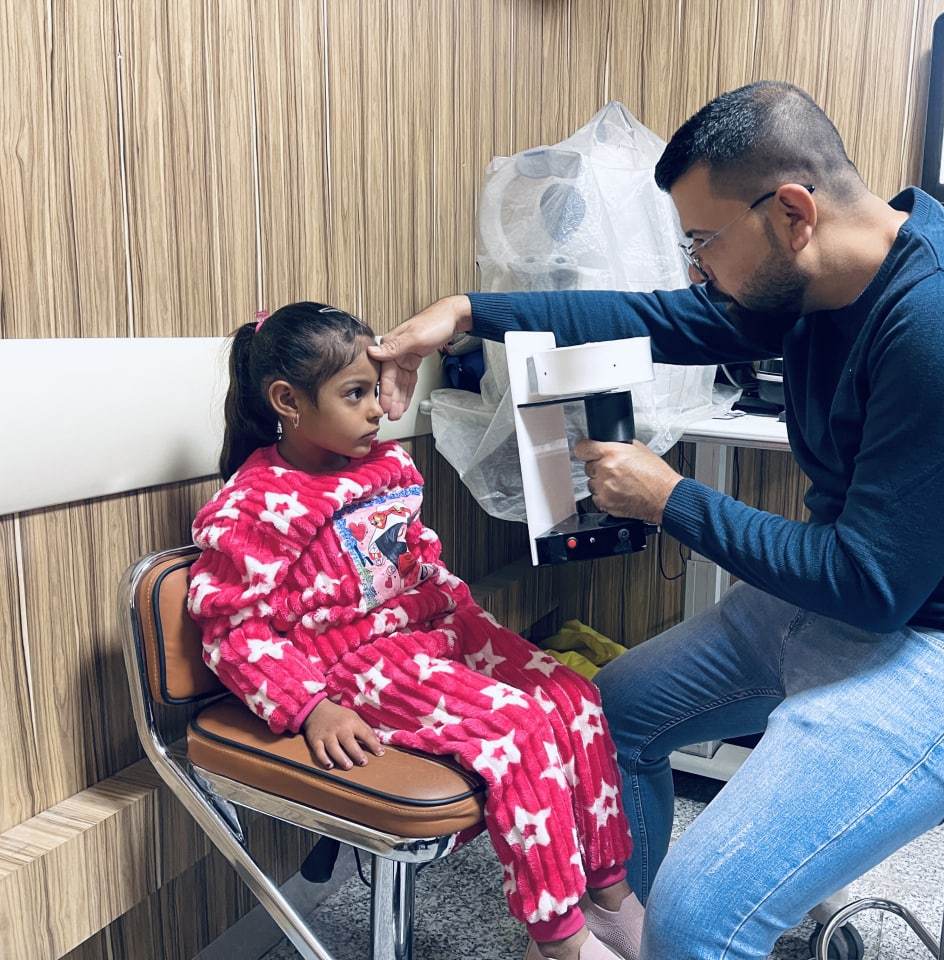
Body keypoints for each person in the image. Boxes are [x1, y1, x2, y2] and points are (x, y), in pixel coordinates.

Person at [372, 81, 944, 960]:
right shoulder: (820, 290)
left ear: (793, 212)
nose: (696, 269)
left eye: (702, 241)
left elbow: (868, 582)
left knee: (702, 914)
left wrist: (670, 499)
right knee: (611, 717)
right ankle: (630, 932)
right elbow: (656, 318)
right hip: (863, 603)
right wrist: (469, 314)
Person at [186, 301, 645, 960]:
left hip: (437, 626)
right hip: (358, 662)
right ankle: (560, 941)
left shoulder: (388, 465)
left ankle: (610, 897)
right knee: (516, 729)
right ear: (288, 401)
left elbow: (416, 556)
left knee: (575, 698)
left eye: (376, 390)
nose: (379, 409)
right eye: (356, 394)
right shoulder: (255, 506)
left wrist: (471, 623)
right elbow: (231, 631)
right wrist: (311, 708)